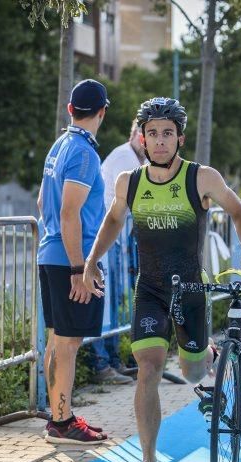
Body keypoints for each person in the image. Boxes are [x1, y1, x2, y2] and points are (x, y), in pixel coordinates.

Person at [82, 97, 241, 462]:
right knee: (149, 368)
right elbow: (113, 220)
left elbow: (240, 212)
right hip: (151, 291)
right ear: (142, 139)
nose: (159, 141)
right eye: (152, 134)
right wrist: (92, 260)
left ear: (180, 138)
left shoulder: (201, 178)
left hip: (192, 290)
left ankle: (207, 353)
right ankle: (148, 461)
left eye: (167, 134)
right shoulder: (130, 182)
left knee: (194, 373)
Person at [37, 79, 110, 444]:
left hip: (51, 254)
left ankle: (59, 418)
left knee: (58, 341)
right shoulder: (83, 152)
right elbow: (70, 213)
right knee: (68, 343)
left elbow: (42, 205)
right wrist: (79, 269)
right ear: (102, 112)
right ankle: (62, 423)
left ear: (70, 110)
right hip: (69, 259)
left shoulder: (59, 145)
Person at [88, 120, 147, 385]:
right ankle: (101, 363)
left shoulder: (135, 158)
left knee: (112, 304)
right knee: (105, 303)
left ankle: (112, 361)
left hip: (116, 242)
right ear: (135, 134)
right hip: (106, 238)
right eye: (146, 135)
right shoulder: (126, 158)